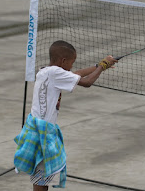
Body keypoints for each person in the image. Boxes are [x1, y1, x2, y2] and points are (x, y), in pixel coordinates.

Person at [14, 40, 118, 191]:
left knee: (42, 175)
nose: (72, 66)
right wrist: (102, 66)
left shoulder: (45, 71)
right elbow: (87, 82)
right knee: (41, 177)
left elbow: (75, 75)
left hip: (38, 128)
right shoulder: (55, 73)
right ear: (63, 61)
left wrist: (98, 66)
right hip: (42, 132)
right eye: (71, 62)